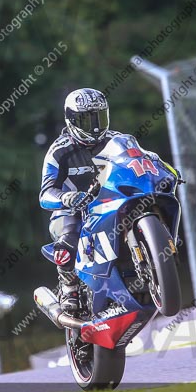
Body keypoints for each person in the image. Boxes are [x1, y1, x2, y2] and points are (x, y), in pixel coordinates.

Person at [39, 88, 179, 313]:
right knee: (68, 238)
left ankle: (150, 256)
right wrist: (67, 197)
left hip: (111, 200)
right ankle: (69, 286)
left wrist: (167, 170)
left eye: (99, 117)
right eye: (86, 119)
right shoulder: (59, 151)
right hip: (72, 211)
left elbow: (144, 158)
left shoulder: (117, 140)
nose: (94, 126)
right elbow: (45, 193)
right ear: (71, 119)